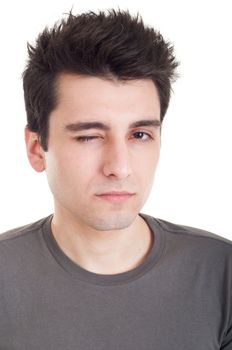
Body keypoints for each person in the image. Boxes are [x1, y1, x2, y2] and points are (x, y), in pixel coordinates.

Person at [0, 8, 231, 350]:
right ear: (37, 149)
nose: (119, 167)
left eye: (139, 135)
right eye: (89, 136)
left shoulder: (221, 274)